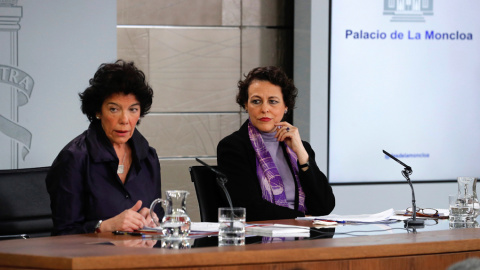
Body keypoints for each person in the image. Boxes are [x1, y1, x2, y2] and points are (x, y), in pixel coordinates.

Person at [46, 60, 163, 235]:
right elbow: (64, 233)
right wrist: (104, 226)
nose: (125, 120)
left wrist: (151, 220)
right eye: (114, 109)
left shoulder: (148, 157)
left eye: (133, 109)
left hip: (141, 257)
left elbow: (157, 218)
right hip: (92, 260)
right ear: (98, 111)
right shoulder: (74, 158)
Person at [217, 66, 335, 221]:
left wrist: (301, 154)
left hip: (303, 237)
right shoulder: (232, 147)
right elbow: (250, 209)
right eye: (256, 101)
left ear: (286, 106)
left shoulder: (302, 148)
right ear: (246, 105)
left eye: (273, 101)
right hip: (258, 239)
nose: (265, 109)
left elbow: (325, 206)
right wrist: (303, 219)